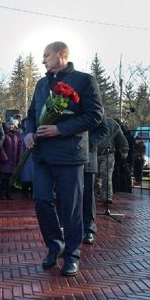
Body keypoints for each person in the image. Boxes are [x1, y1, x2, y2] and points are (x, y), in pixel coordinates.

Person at [24, 41, 103, 276]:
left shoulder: (84, 80)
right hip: (42, 156)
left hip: (69, 156)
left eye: (46, 55)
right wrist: (27, 132)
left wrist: (60, 130)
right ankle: (54, 245)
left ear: (62, 54)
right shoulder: (40, 84)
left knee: (71, 208)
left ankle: (72, 255)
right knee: (41, 201)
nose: (43, 60)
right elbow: (30, 115)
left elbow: (95, 116)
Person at [82, 116, 108, 245]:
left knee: (87, 194)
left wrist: (88, 143)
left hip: (87, 158)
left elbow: (103, 130)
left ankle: (88, 228)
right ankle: (66, 225)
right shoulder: (63, 100)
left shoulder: (93, 102)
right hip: (67, 158)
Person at [95, 117, 128, 204]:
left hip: (107, 153)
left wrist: (124, 149)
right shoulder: (91, 120)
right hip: (93, 153)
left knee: (106, 176)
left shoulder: (111, 123)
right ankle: (96, 195)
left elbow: (120, 137)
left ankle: (106, 197)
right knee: (94, 177)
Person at [0, 117, 23, 200]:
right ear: (6, 125)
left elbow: (20, 146)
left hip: (13, 160)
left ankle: (9, 193)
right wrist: (4, 157)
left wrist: (19, 157)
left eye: (12, 124)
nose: (11, 126)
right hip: (5, 160)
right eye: (9, 124)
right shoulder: (3, 134)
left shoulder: (17, 134)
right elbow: (0, 146)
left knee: (11, 179)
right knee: (4, 179)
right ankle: (3, 194)